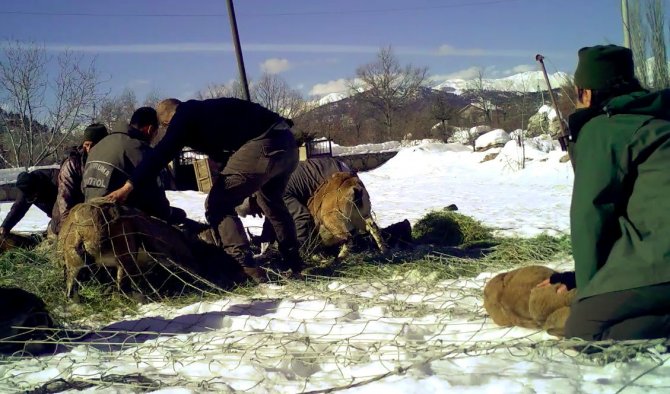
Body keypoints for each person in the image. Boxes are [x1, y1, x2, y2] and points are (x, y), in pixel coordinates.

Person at [540, 45, 670, 341]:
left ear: (586, 93)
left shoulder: (603, 129)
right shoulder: (658, 119)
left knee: (585, 330)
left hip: (661, 260)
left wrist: (589, 290)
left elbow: (592, 216)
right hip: (656, 250)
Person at [105, 98, 302, 281]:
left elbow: (161, 154)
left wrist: (128, 186)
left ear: (166, 122)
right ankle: (293, 261)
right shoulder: (207, 113)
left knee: (217, 203)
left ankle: (243, 266)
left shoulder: (184, 116)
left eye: (166, 127)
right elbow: (226, 154)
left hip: (265, 143)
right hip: (287, 142)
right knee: (272, 203)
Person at [82, 107, 184, 224]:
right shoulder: (141, 150)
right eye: (155, 133)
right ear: (150, 129)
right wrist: (171, 213)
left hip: (88, 214)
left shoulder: (97, 147)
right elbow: (157, 201)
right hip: (118, 221)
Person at [51, 123, 108, 235]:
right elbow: (64, 199)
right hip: (68, 220)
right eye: (86, 145)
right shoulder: (72, 164)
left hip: (93, 219)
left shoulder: (108, 160)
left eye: (94, 145)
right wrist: (69, 231)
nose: (89, 149)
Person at [0, 169, 58, 236]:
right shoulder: (25, 188)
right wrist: (5, 226)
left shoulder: (53, 179)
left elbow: (64, 201)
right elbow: (18, 208)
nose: (33, 198)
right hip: (55, 215)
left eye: (33, 196)